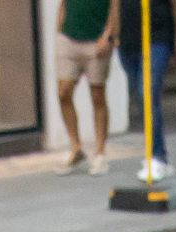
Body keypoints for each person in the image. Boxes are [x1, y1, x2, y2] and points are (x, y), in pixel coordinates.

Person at [117, 0, 176, 182]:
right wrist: (113, 34)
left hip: (157, 39)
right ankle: (161, 156)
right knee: (142, 99)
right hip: (129, 41)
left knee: (147, 93)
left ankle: (155, 156)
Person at [52, 0, 116, 174]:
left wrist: (109, 34)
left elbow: (115, 4)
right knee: (63, 91)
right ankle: (76, 148)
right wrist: (60, 29)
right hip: (69, 37)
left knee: (97, 95)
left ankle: (100, 153)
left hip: (97, 38)